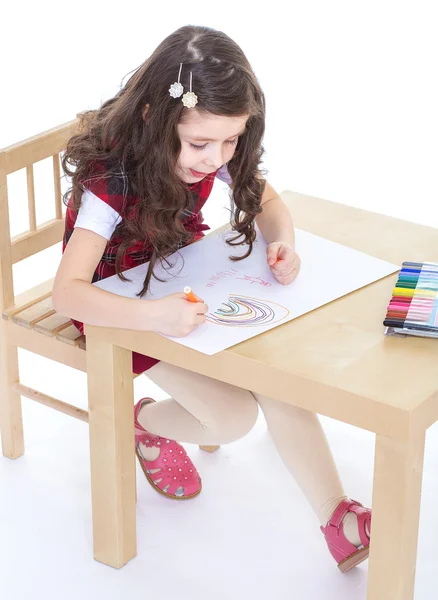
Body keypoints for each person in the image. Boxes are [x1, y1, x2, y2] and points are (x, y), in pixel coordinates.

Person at [52, 25, 371, 572]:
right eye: (201, 144)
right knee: (231, 418)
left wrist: (283, 244)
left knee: (279, 373)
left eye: (231, 142)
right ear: (155, 118)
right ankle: (143, 422)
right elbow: (68, 294)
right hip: (119, 309)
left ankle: (335, 515)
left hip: (180, 285)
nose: (215, 158)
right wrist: (155, 315)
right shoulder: (115, 180)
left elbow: (270, 205)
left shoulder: (213, 144)